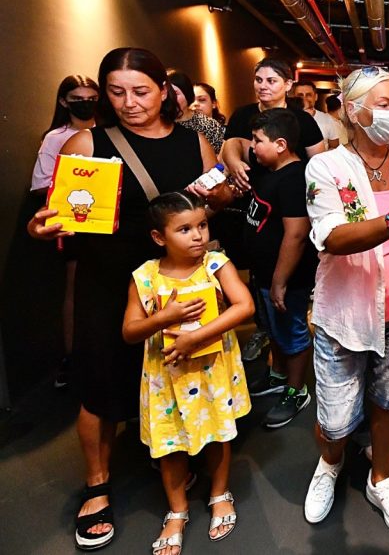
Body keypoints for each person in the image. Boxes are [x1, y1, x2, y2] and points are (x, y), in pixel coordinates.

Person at [27, 47, 219, 551]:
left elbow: (207, 207)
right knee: (100, 379)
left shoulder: (194, 141)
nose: (130, 102)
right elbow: (58, 212)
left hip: (174, 282)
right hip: (109, 281)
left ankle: (170, 454)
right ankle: (97, 485)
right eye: (116, 92)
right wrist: (42, 227)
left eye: (141, 91)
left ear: (164, 90)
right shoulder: (87, 142)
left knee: (175, 374)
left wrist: (222, 194)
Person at [302, 67, 389, 536]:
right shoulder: (326, 167)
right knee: (336, 418)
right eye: (384, 105)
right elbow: (331, 236)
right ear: (353, 110)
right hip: (346, 313)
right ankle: (330, 464)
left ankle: (381, 480)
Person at [123, 191, 254, 554]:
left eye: (202, 225)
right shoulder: (145, 276)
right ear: (159, 237)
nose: (197, 236)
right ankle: (177, 510)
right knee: (170, 443)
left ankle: (219, 493)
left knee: (218, 432)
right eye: (184, 229)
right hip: (167, 378)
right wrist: (164, 318)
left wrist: (195, 336)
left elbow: (244, 305)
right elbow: (130, 331)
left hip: (212, 372)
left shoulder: (215, 264)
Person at [243, 109, 318, 428]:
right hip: (264, 273)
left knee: (293, 333)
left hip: (288, 278)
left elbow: (297, 234)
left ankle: (296, 390)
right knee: (274, 328)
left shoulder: (294, 179)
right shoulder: (268, 171)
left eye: (257, 140)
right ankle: (278, 374)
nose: (252, 146)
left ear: (281, 145)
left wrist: (279, 281)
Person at [31, 74, 100, 389]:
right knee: (77, 286)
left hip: (118, 221)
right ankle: (73, 357)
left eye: (91, 98)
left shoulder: (110, 132)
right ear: (64, 102)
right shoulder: (56, 138)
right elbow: (40, 183)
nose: (86, 103)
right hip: (76, 221)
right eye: (78, 99)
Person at [220, 58, 326, 193]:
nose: (262, 86)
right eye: (258, 80)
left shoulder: (303, 120)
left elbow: (318, 164)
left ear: (288, 85)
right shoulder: (241, 115)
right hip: (250, 193)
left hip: (291, 192)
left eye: (271, 81)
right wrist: (233, 164)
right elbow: (227, 150)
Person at [168, 70, 225, 153]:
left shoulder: (208, 125)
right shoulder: (160, 123)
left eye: (175, 93)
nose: (170, 97)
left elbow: (217, 157)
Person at [293, 79, 341, 150]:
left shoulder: (327, 119)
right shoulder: (288, 118)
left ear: (316, 97)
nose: (304, 98)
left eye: (308, 95)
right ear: (294, 97)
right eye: (300, 95)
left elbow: (334, 147)